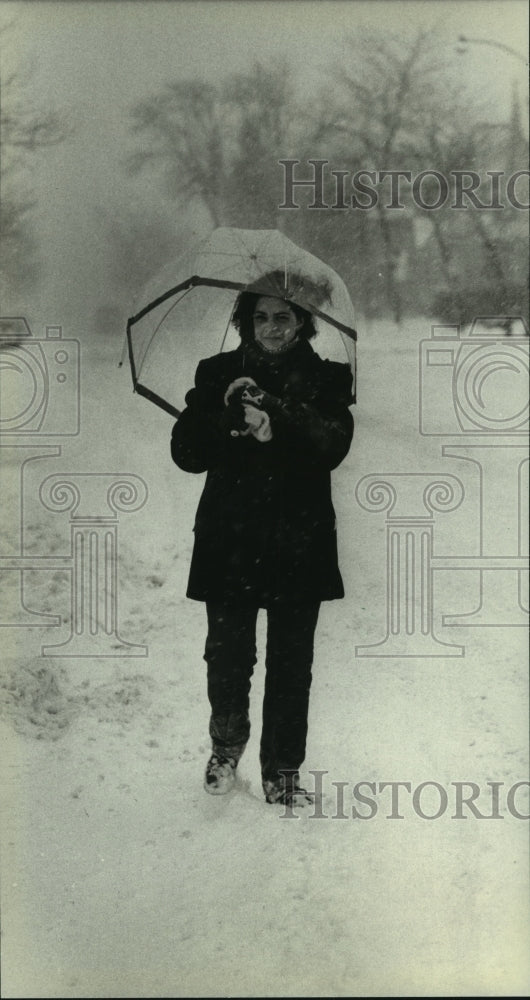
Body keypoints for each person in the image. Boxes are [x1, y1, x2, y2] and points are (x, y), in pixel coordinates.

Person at [171, 271, 354, 807]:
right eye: (260, 316)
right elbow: (186, 454)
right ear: (245, 321)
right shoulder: (217, 374)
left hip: (299, 541)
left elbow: (331, 446)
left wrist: (276, 408)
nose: (271, 328)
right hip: (229, 540)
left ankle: (282, 771)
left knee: (292, 662)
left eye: (283, 316)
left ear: (303, 322)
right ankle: (225, 750)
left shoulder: (327, 381)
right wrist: (225, 417)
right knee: (227, 656)